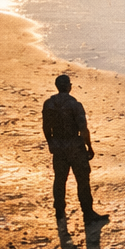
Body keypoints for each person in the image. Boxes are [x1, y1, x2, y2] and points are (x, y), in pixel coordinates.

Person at [42, 74, 108, 226]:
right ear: (68, 87)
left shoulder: (49, 104)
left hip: (58, 146)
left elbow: (46, 127)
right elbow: (83, 129)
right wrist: (89, 146)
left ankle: (59, 211)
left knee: (59, 179)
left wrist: (51, 142)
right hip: (75, 147)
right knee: (82, 180)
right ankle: (88, 212)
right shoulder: (75, 104)